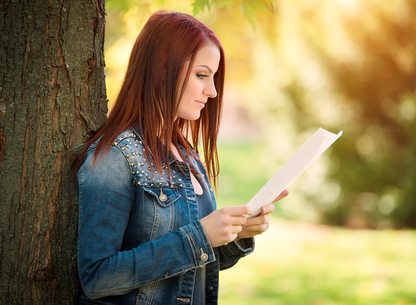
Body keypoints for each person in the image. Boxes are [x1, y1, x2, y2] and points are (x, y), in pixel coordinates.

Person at [76, 10, 288, 305]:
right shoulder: (116, 156)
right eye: (202, 75)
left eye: (213, 78)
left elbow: (191, 271)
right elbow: (97, 276)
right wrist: (200, 237)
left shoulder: (187, 154)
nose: (212, 91)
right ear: (162, 69)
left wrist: (235, 234)